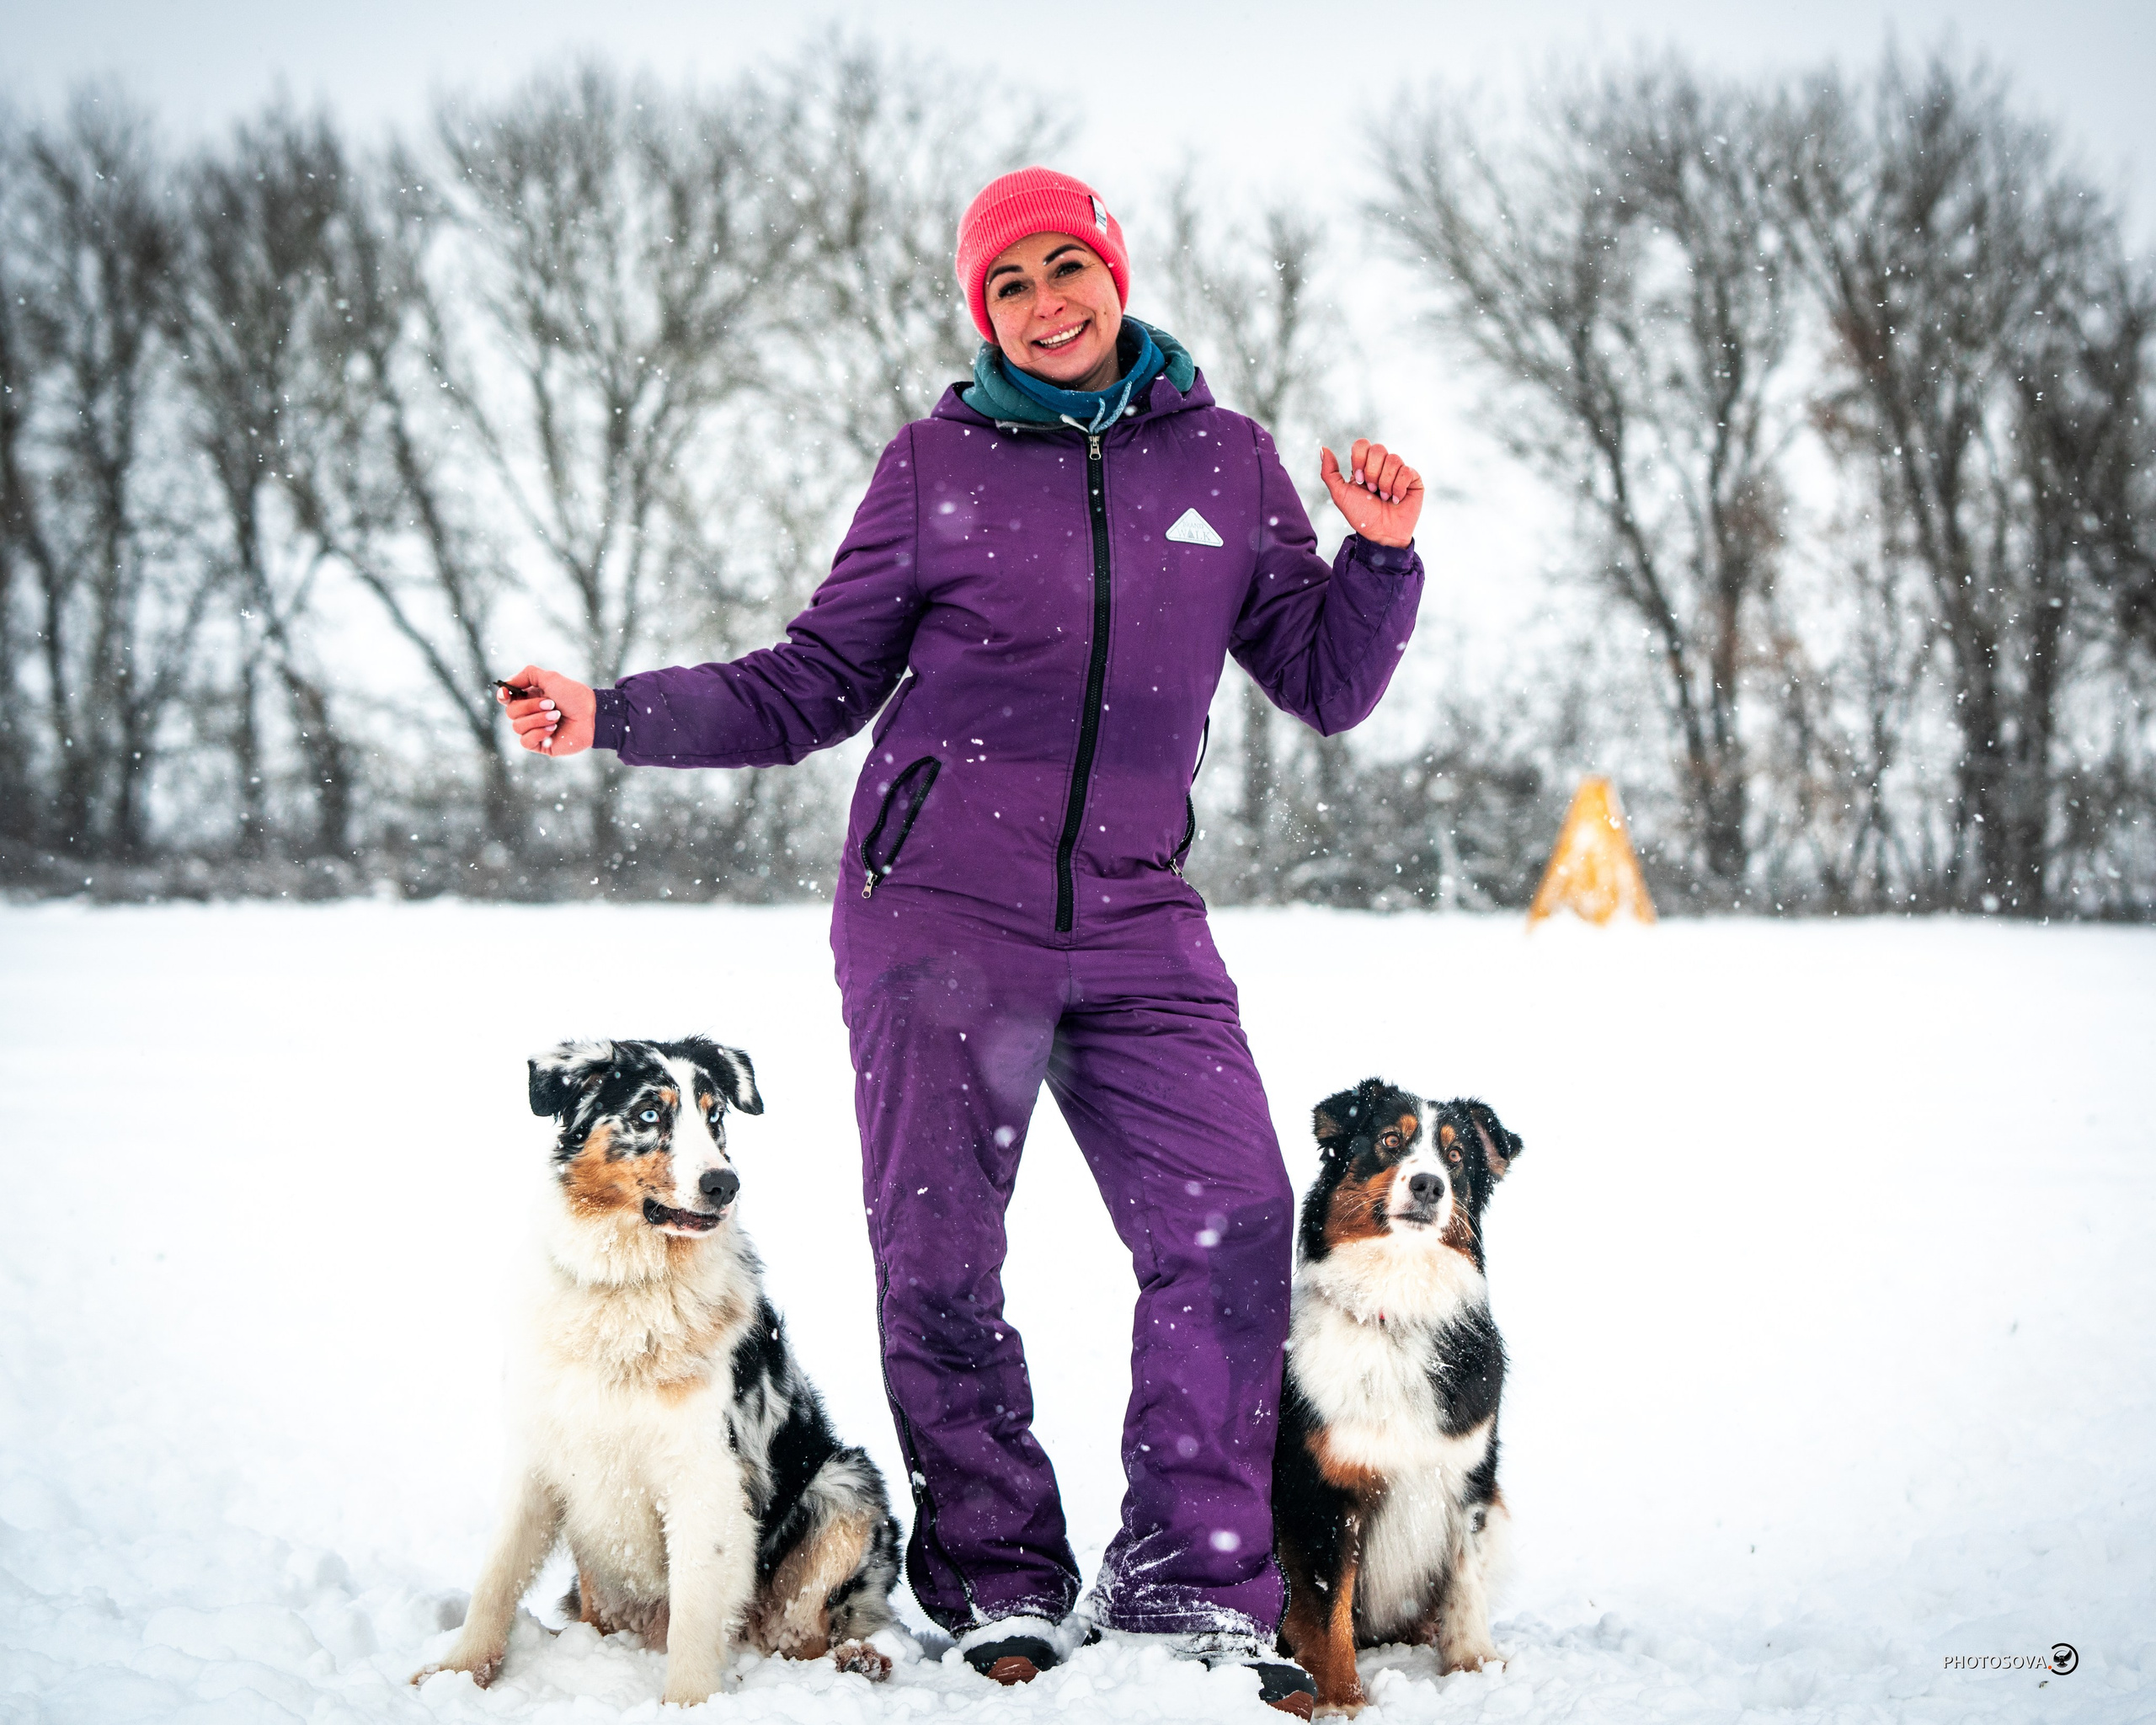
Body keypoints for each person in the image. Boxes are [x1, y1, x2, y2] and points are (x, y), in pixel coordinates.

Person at [499, 167, 1425, 1716]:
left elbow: (1323, 683)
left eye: (1071, 269)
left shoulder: (1228, 460)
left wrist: (1380, 561)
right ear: (980, 307)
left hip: (1140, 917)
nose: (1048, 303)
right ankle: (997, 1580)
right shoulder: (935, 465)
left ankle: (1195, 1583)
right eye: (1012, 284)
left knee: (1236, 1221)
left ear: (1116, 276)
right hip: (936, 914)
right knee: (941, 1262)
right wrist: (617, 714)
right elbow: (807, 682)